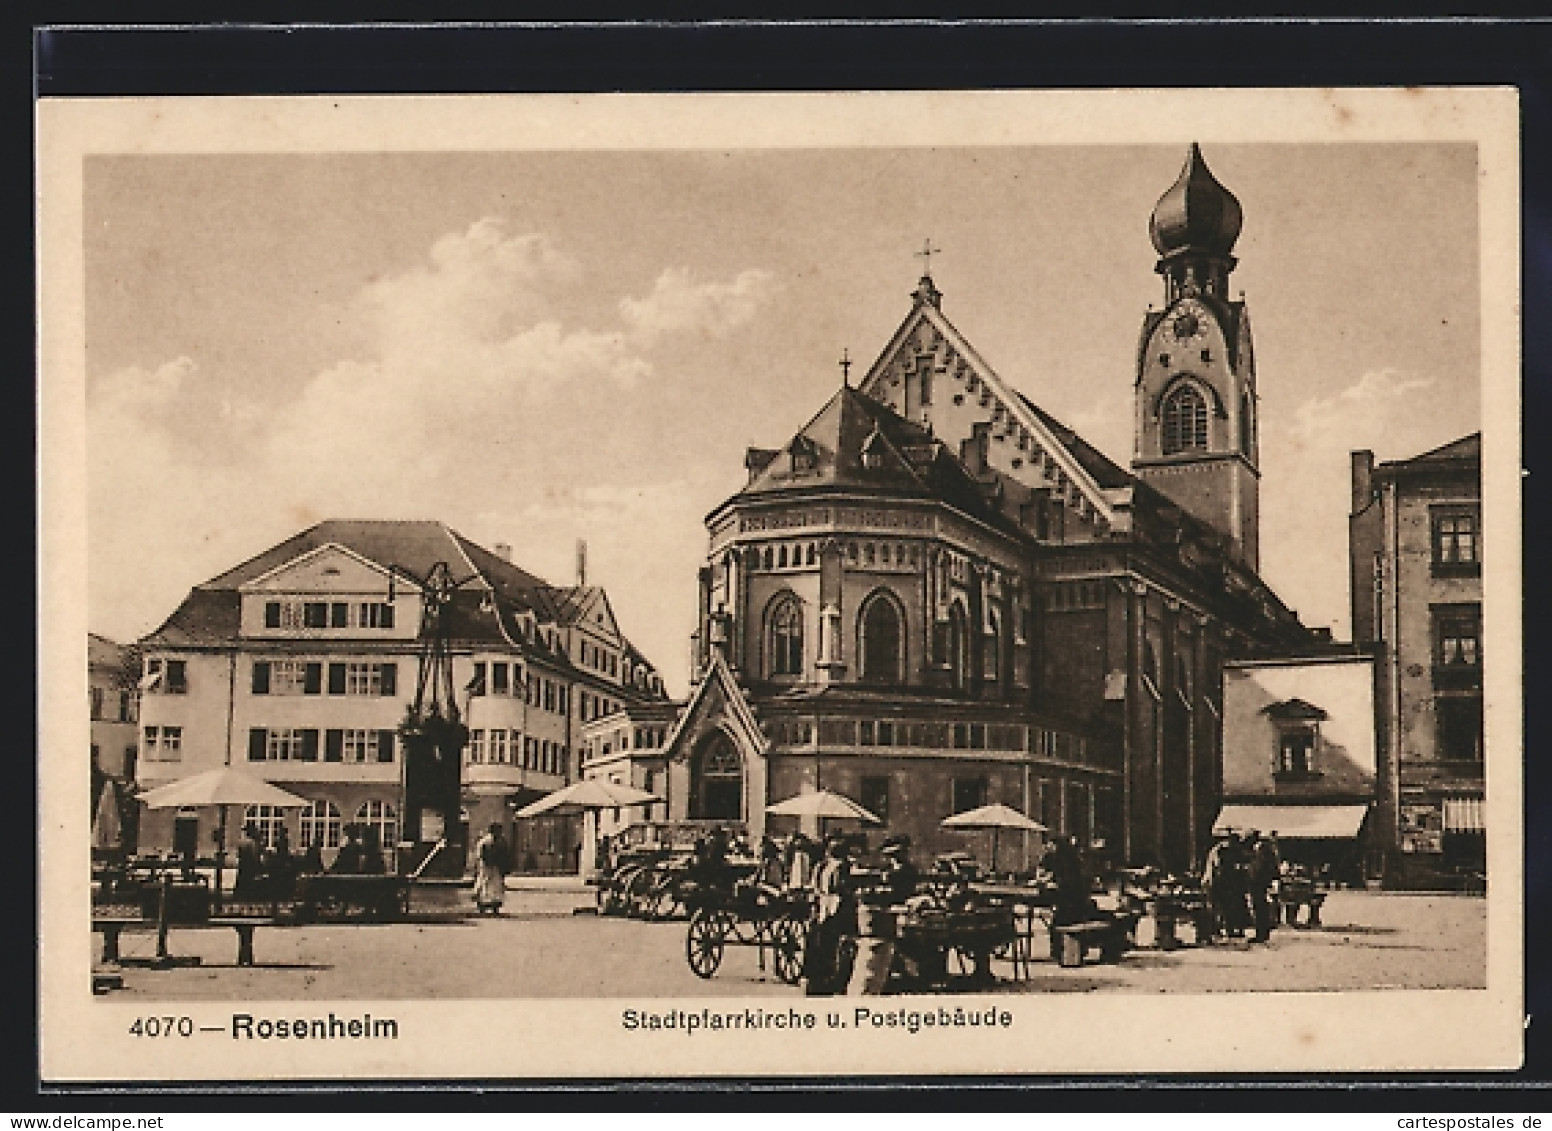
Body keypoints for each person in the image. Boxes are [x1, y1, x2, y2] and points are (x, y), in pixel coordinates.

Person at [805, 835, 857, 996]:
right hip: (832, 907)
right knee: (829, 944)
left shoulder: (824, 866)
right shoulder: (840, 867)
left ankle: (821, 980)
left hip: (826, 907)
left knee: (823, 943)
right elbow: (843, 888)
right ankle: (826, 979)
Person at [1249, 830, 1282, 943]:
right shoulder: (1269, 850)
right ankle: (1263, 932)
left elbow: (1258, 867)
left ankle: (1261, 933)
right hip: (1263, 882)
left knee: (1260, 907)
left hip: (1259, 882)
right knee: (1262, 907)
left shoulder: (1262, 849)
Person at [473, 822, 510, 915]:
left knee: (495, 885)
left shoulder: (501, 841)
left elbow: (505, 855)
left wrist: (503, 866)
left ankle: (494, 904)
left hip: (496, 867)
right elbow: (480, 855)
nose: (499, 833)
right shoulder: (485, 842)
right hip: (487, 866)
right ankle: (483, 903)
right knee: (485, 883)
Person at [234, 822, 263, 897]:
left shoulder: (242, 841)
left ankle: (240, 893)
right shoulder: (252, 843)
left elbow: (239, 854)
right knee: (249, 880)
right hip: (250, 865)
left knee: (242, 879)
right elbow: (255, 856)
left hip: (243, 864)